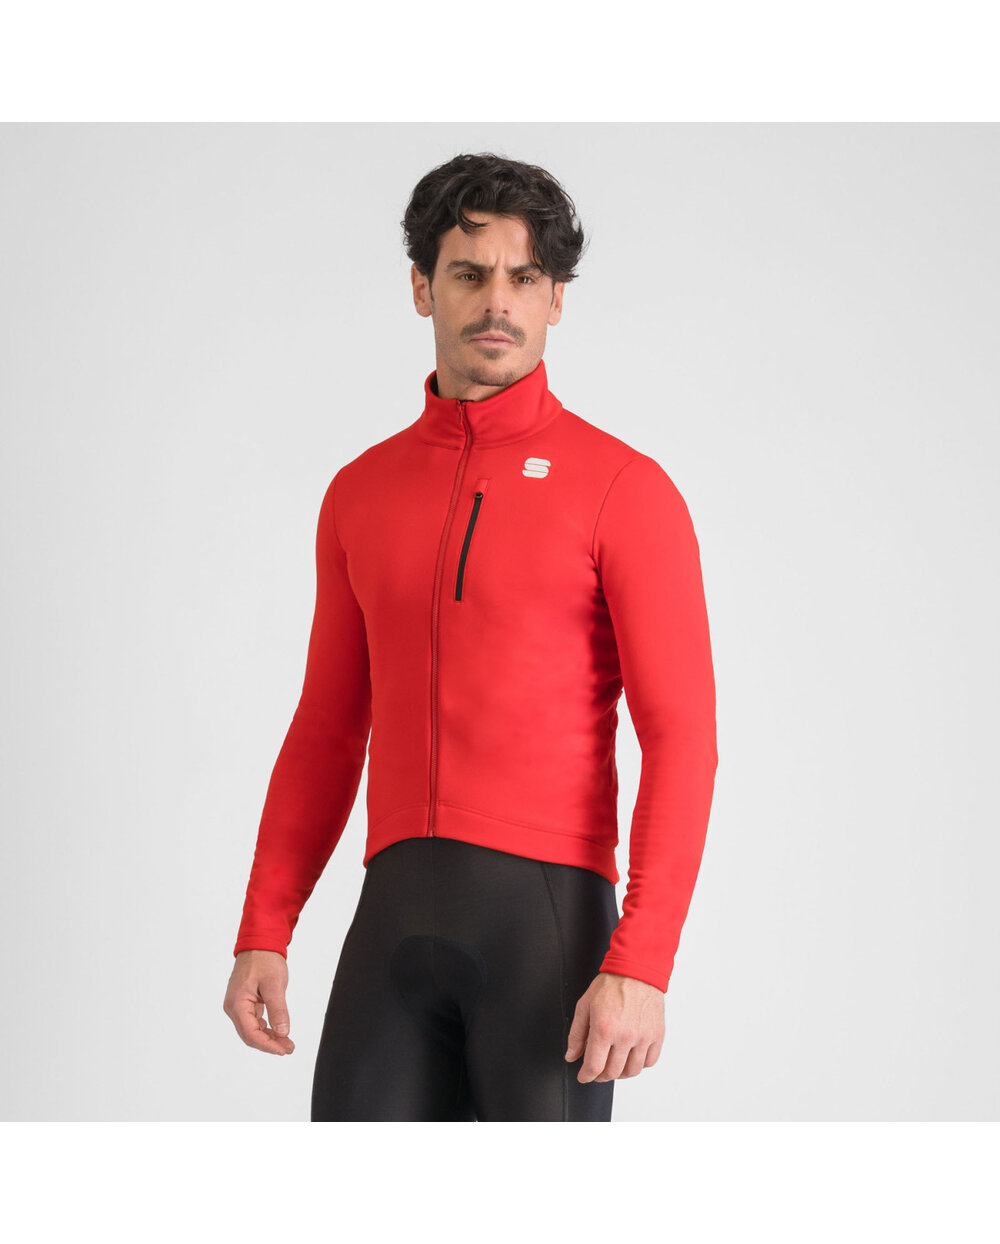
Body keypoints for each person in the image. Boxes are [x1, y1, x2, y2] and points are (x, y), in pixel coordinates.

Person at [223, 152, 719, 1121]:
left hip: (546, 934)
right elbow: (328, 726)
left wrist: (643, 961)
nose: (498, 301)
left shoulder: (624, 489)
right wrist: (263, 926)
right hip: (393, 921)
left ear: (556, 298)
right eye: (469, 272)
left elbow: (681, 737)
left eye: (524, 277)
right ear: (422, 287)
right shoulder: (360, 492)